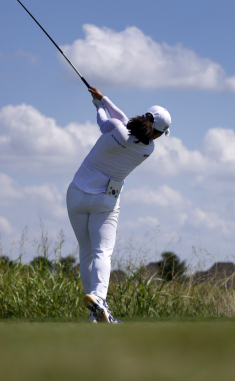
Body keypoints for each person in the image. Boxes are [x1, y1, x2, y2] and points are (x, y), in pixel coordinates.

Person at [66, 86, 171, 323]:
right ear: (158, 133)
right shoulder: (148, 149)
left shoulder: (116, 130)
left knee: (86, 252)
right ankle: (98, 300)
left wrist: (99, 106)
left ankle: (95, 312)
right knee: (102, 251)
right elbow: (123, 120)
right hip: (104, 200)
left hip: (75, 195)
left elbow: (110, 122)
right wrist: (103, 99)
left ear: (145, 116)